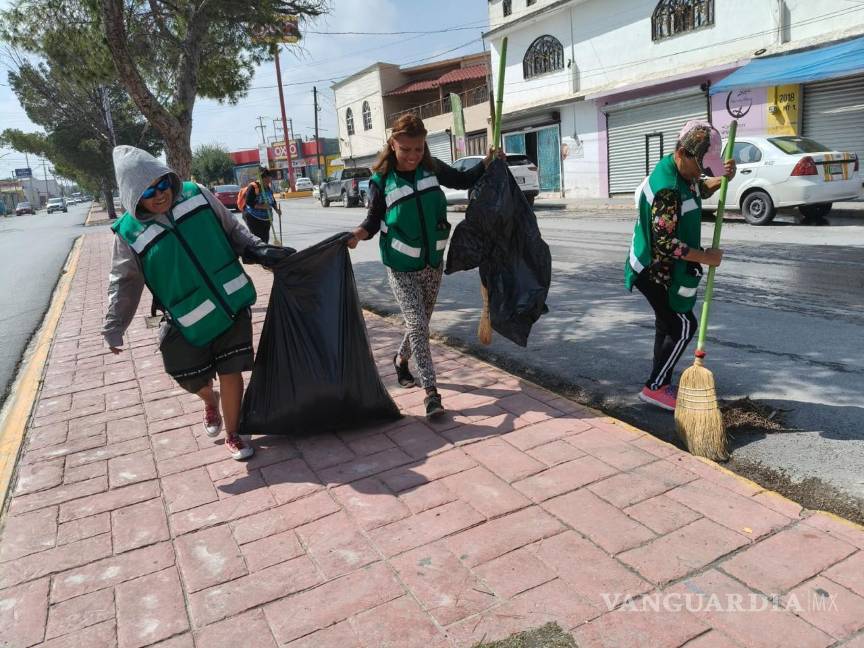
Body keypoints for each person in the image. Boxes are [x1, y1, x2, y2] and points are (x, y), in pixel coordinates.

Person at [103, 146, 293, 460]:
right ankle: (208, 399)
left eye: (163, 183)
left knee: (232, 370)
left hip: (231, 301)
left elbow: (233, 231)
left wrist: (260, 251)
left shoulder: (196, 194)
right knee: (186, 375)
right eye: (149, 190)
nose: (161, 193)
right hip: (186, 316)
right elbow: (123, 283)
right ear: (133, 195)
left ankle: (235, 434)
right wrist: (113, 325)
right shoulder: (128, 233)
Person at [348, 113, 502, 419]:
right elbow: (373, 220)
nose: (412, 156)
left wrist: (488, 162)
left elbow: (462, 179)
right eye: (406, 150)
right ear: (392, 145)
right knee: (418, 324)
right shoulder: (381, 181)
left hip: (433, 262)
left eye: (418, 149)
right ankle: (432, 393)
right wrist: (357, 235)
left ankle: (400, 360)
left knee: (419, 323)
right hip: (400, 266)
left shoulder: (431, 168)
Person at [625, 120, 736, 411]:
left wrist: (719, 179)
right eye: (700, 164)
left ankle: (660, 379)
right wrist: (705, 256)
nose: (702, 171)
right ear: (683, 153)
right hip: (651, 269)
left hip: (664, 269)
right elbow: (666, 244)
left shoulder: (681, 172)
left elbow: (698, 188)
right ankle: (655, 387)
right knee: (685, 326)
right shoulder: (667, 189)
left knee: (668, 325)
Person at [242, 167, 282, 243]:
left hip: (267, 219)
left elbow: (272, 200)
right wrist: (262, 206)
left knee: (265, 239)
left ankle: (265, 251)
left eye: (269, 179)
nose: (268, 181)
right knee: (258, 240)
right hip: (253, 218)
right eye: (266, 180)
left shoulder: (267, 188)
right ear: (261, 178)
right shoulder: (253, 187)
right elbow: (248, 202)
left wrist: (277, 210)